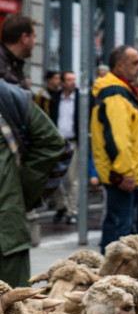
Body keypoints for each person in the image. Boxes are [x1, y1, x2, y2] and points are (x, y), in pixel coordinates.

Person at [0, 76, 65, 285]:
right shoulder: (11, 95)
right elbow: (52, 142)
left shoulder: (10, 96)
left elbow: (52, 142)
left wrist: (23, 190)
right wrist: (23, 193)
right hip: (7, 230)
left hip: (6, 235)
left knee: (14, 311)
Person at [92, 46, 138, 252]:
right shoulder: (116, 93)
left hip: (126, 174)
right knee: (119, 231)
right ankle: (110, 279)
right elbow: (118, 138)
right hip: (122, 176)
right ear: (119, 65)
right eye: (135, 62)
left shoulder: (123, 92)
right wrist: (125, 172)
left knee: (121, 228)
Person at [48, 71, 80, 224]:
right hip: (57, 142)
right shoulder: (55, 98)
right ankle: (61, 205)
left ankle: (72, 211)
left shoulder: (81, 98)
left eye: (73, 79)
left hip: (73, 142)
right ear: (62, 83)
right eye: (69, 80)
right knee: (54, 175)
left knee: (73, 178)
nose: (72, 82)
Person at [0, 14, 34, 88]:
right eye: (33, 37)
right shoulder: (5, 70)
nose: (34, 42)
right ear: (24, 38)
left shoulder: (13, 64)